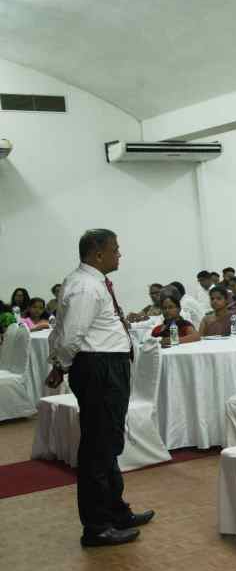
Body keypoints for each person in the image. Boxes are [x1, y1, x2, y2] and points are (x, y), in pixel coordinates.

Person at [47, 229, 153, 546]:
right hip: (99, 368)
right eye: (115, 249)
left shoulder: (91, 282)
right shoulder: (86, 286)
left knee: (108, 443)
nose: (119, 254)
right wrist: (61, 364)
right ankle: (96, 527)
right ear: (97, 254)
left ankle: (116, 511)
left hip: (105, 365)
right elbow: (71, 334)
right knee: (98, 448)